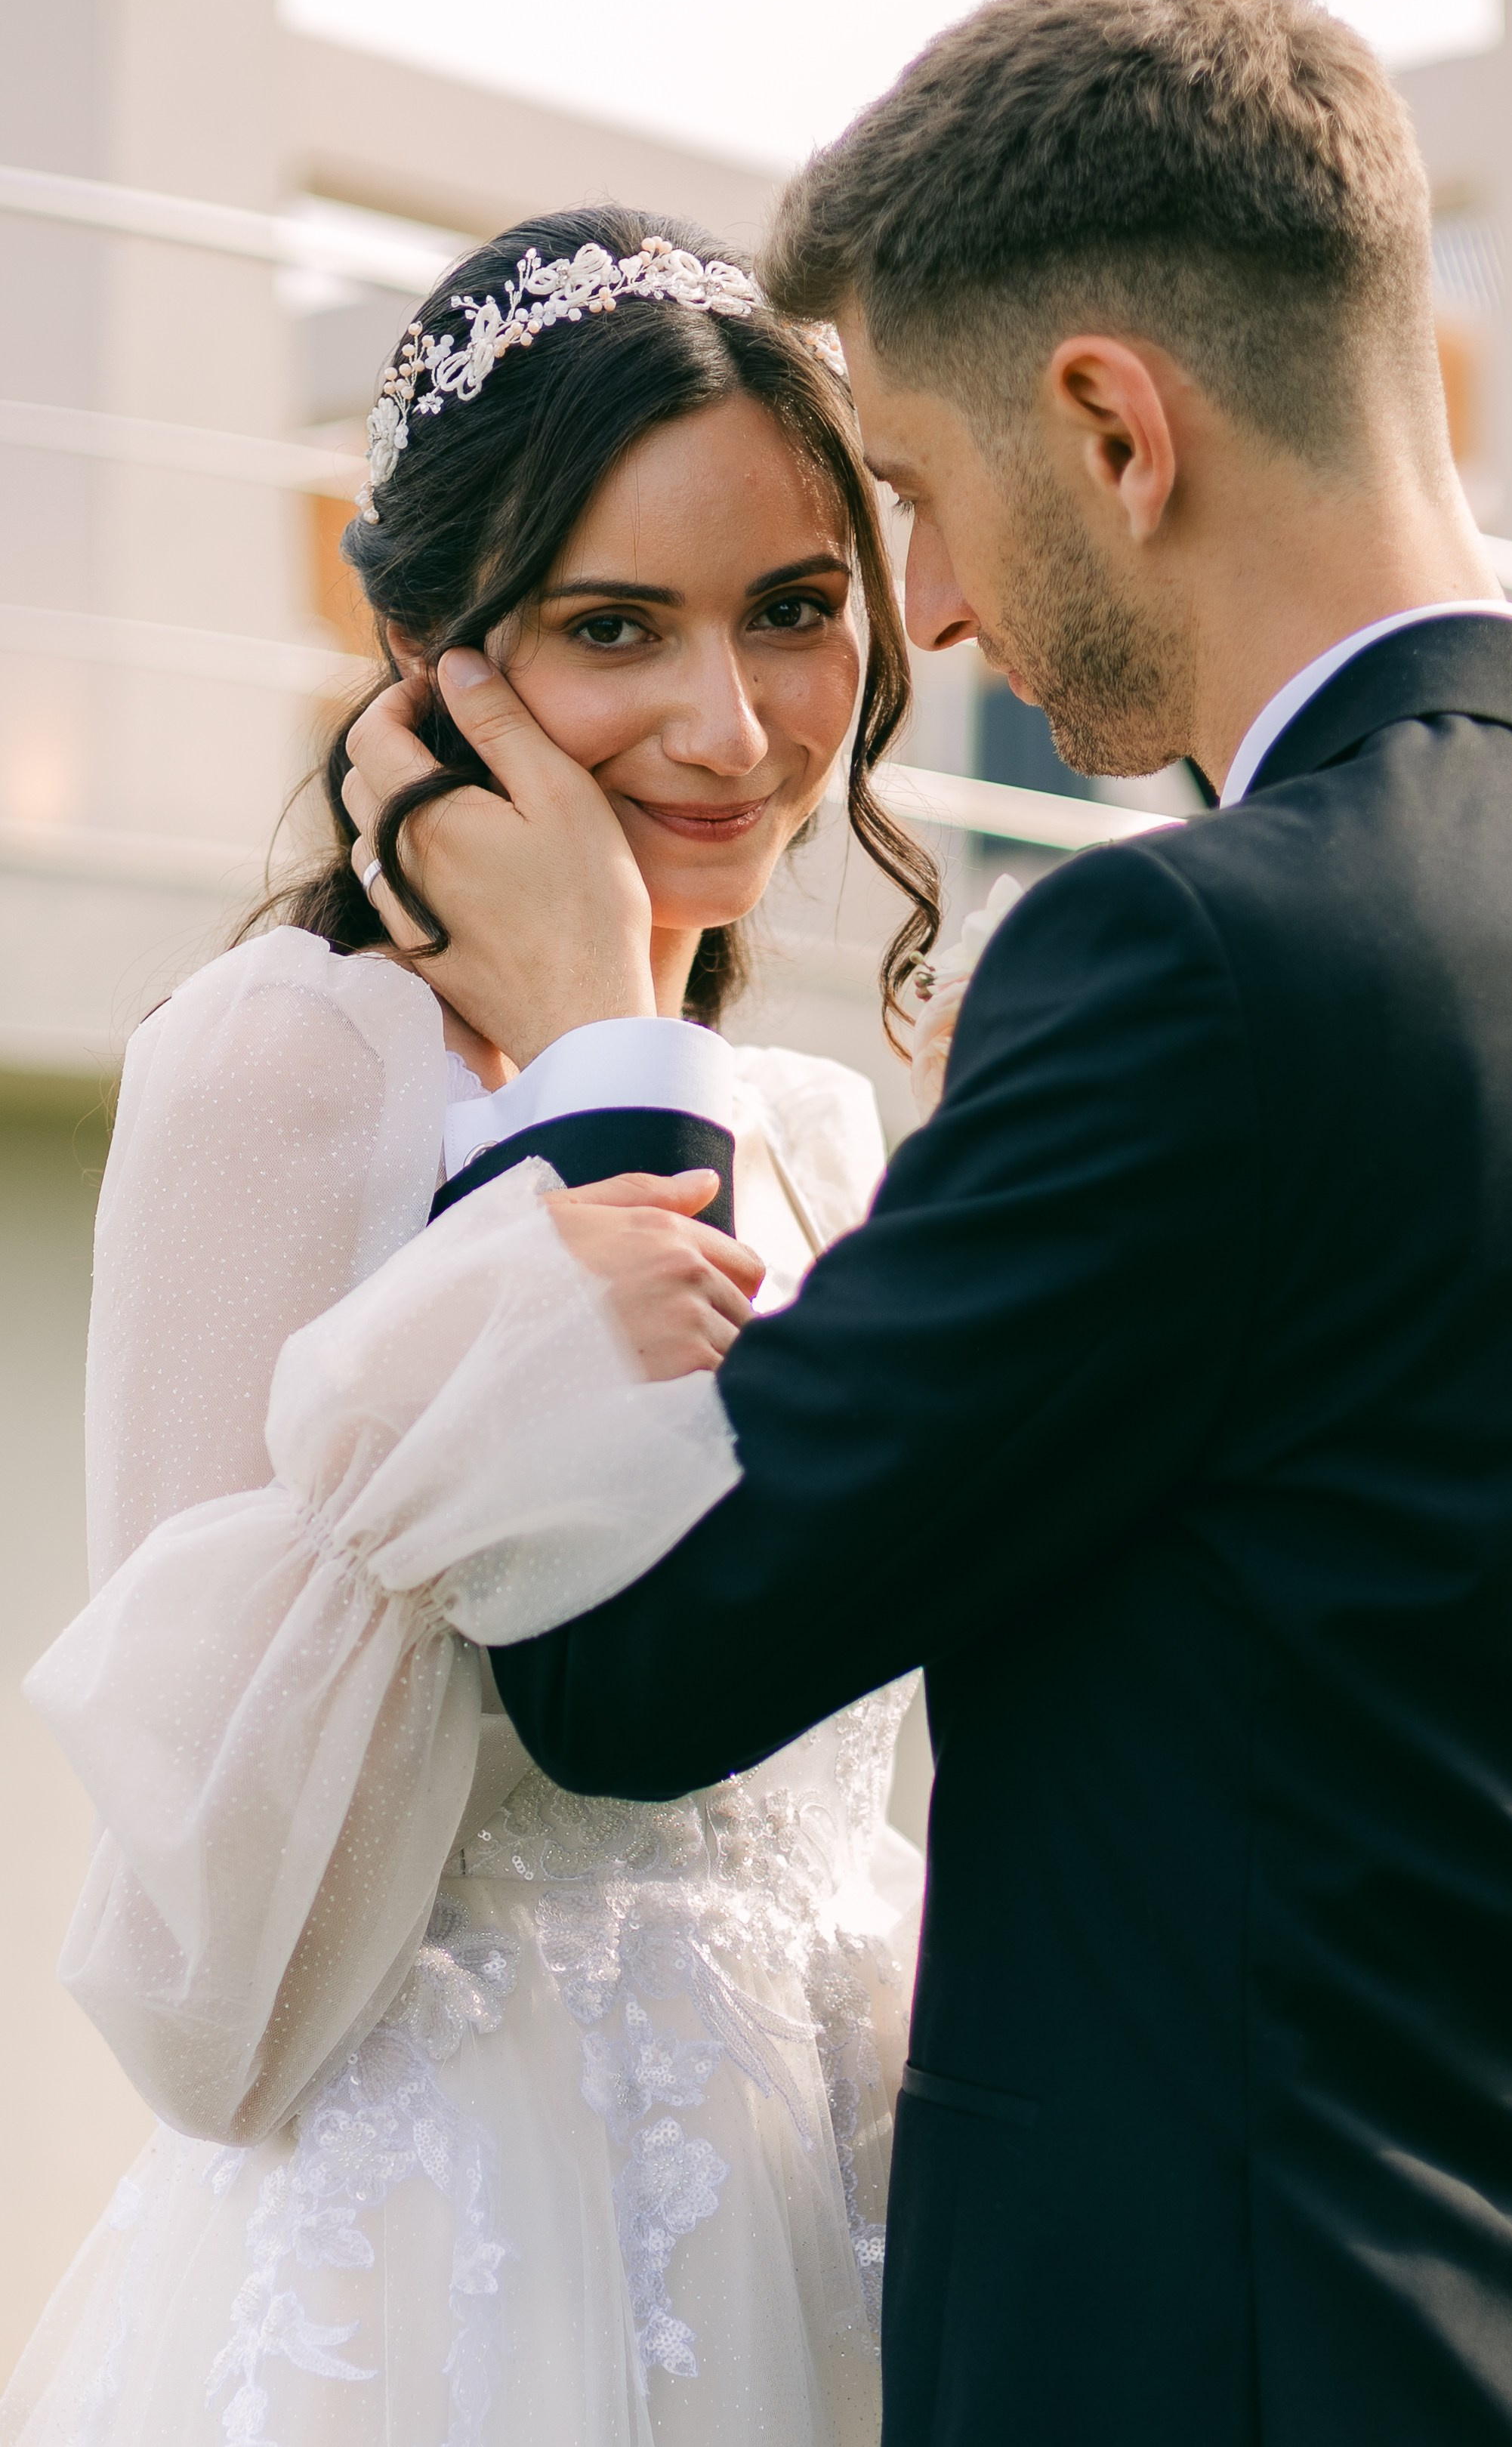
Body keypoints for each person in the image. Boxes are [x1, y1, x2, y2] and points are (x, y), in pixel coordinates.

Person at [337, 0, 1512, 2447]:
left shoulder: (1194, 968)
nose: (927, 605)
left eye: (920, 490)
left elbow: (636, 1669)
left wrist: (603, 1048)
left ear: (1112, 429)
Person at [6, 208, 942, 2447]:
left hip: (833, 2234)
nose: (733, 727)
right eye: (616, 627)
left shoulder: (815, 1128)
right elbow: (212, 1943)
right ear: (426, 648)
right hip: (449, 2276)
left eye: (795, 610)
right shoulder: (287, 1066)